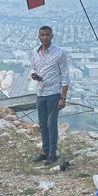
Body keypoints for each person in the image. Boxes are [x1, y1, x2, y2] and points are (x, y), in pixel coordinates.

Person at [30, 26, 69, 165]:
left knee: (51, 124)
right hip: (40, 92)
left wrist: (63, 98)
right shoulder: (35, 52)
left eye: (47, 35)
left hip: (53, 93)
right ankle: (44, 151)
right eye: (42, 35)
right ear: (39, 36)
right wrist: (34, 75)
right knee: (42, 124)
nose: (45, 37)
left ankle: (52, 153)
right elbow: (34, 68)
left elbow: (65, 76)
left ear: (52, 36)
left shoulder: (60, 53)